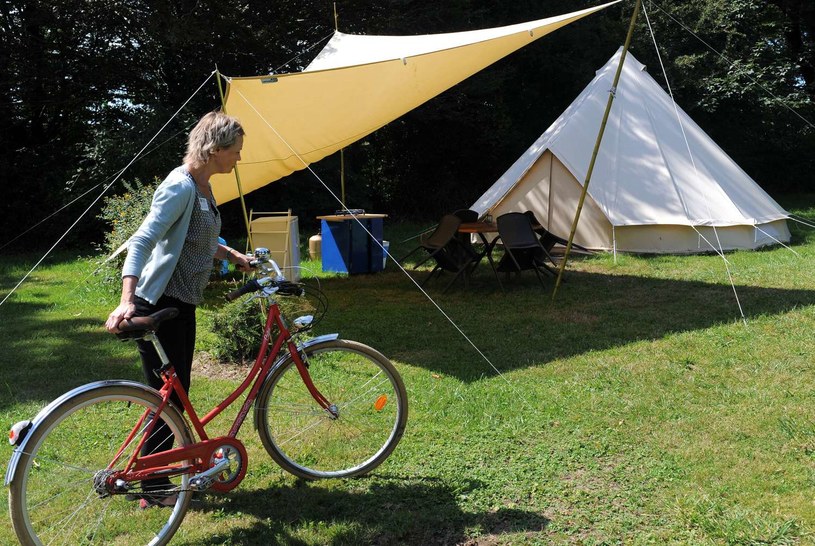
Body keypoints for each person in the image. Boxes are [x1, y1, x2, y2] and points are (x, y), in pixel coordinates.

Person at [104, 111, 252, 508]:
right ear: (215, 150)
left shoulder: (203, 187)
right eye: (235, 152)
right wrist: (126, 300)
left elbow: (197, 236)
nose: (239, 158)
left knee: (175, 395)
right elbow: (141, 242)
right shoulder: (180, 186)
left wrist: (230, 253)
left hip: (183, 305)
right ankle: (151, 488)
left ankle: (157, 478)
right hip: (161, 303)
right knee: (166, 399)